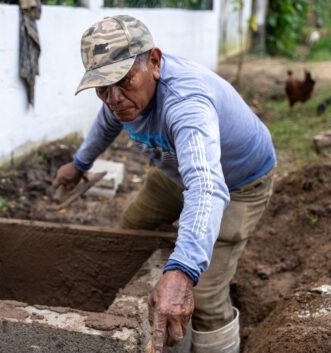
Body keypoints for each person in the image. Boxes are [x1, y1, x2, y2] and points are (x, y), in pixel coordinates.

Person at [52, 15, 276, 353]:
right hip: (174, 172)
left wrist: (184, 270)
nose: (114, 98)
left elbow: (205, 186)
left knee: (206, 293)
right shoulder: (121, 97)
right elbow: (107, 121)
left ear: (154, 62)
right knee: (132, 230)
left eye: (124, 81)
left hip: (239, 182)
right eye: (102, 88)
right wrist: (80, 163)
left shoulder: (187, 103)